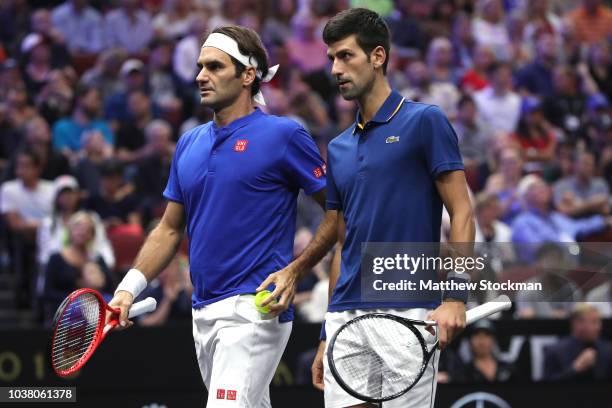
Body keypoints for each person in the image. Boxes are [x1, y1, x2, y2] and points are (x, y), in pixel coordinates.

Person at [256, 9, 474, 408]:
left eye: (345, 56)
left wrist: (456, 295)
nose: (336, 69)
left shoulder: (426, 121)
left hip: (407, 309)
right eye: (331, 59)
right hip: (344, 318)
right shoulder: (338, 148)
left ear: (377, 56)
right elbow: (344, 240)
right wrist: (326, 331)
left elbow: (462, 212)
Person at [107, 25, 327, 407]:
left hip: (255, 308)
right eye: (199, 67)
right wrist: (128, 289)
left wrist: (296, 270)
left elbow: (339, 212)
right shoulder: (189, 142)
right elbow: (169, 229)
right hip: (202, 310)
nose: (199, 76)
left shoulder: (284, 135)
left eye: (214, 66)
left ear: (248, 75)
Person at [543, 303, 612, 381]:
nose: (598, 327)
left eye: (598, 322)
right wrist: (575, 368)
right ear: (577, 324)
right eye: (594, 322)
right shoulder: (554, 351)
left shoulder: (608, 350)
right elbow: (547, 388)